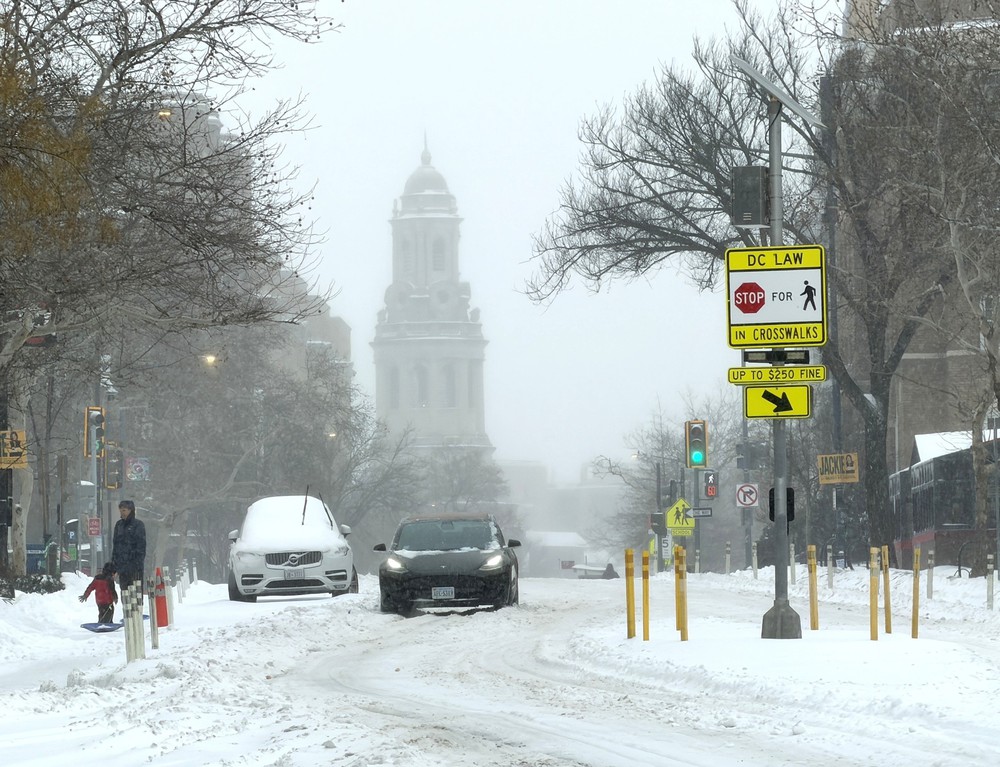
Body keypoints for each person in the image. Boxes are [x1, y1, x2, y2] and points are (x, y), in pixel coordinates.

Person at [111, 499, 146, 600]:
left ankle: (137, 614)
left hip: (135, 569)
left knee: (136, 596)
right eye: (121, 510)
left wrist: (135, 564)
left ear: (131, 510)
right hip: (122, 569)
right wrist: (114, 566)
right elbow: (116, 547)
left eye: (124, 510)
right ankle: (127, 615)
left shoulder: (138, 525)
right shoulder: (119, 525)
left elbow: (141, 548)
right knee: (125, 595)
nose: (122, 513)